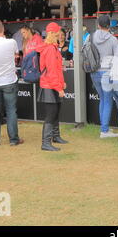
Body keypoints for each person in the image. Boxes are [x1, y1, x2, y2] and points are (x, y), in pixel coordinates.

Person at [36, 22, 69, 151]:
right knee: (51, 114)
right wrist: (59, 87)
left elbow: (56, 69)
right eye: (58, 33)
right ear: (55, 34)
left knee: (55, 113)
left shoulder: (52, 48)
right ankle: (46, 143)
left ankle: (55, 137)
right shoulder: (50, 49)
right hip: (49, 86)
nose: (60, 35)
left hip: (51, 85)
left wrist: (61, 83)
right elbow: (51, 72)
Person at [91, 15, 118, 139]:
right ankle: (104, 130)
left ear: (98, 25)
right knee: (107, 101)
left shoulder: (90, 37)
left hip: (94, 71)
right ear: (109, 25)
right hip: (107, 72)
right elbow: (117, 57)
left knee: (102, 99)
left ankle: (104, 127)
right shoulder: (113, 40)